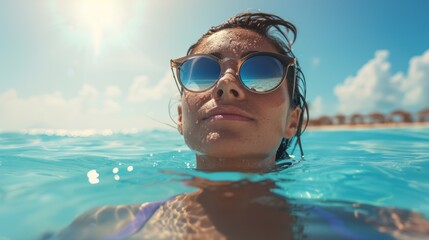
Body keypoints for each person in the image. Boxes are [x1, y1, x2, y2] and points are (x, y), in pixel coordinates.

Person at [45, 12, 429, 240]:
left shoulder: (388, 228)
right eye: (202, 71)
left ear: (292, 121)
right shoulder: (103, 228)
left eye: (261, 71)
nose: (226, 84)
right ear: (182, 118)